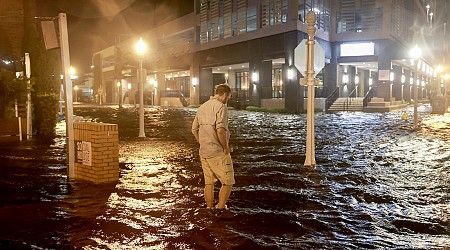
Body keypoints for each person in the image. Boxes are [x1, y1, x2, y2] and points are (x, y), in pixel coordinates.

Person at [192, 84, 234, 217]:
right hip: (217, 152)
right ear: (225, 95)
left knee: (209, 182)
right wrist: (226, 148)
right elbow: (220, 130)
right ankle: (221, 209)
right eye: (229, 97)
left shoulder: (202, 107)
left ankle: (209, 208)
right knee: (228, 181)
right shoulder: (221, 107)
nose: (228, 99)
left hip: (204, 151)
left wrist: (202, 143)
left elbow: (194, 129)